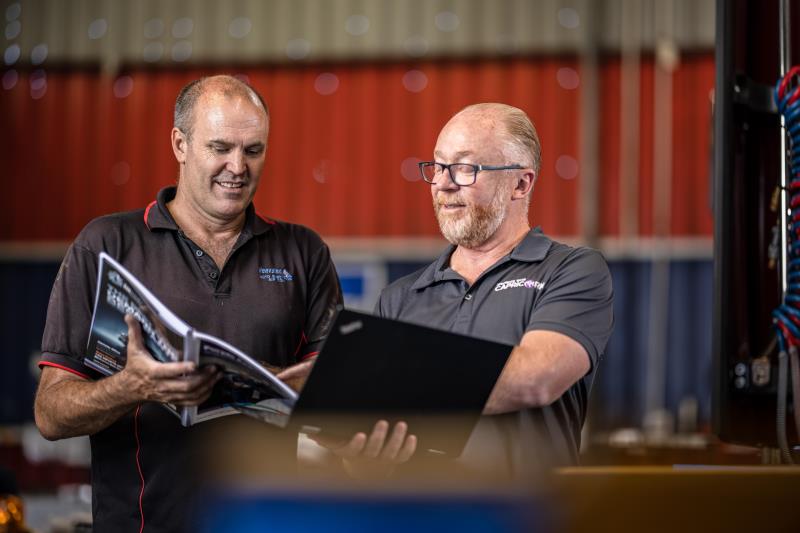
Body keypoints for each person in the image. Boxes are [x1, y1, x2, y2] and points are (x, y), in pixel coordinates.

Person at [33, 75, 350, 531]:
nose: (237, 167)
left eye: (253, 150)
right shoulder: (106, 246)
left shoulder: (303, 252)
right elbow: (50, 414)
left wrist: (293, 387)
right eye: (220, 148)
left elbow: (341, 403)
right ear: (180, 144)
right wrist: (134, 387)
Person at [374, 103, 614, 474]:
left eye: (466, 167)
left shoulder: (572, 271)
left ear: (521, 183)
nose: (443, 183)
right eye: (438, 166)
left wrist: (386, 381)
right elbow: (370, 446)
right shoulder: (401, 297)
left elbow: (537, 377)